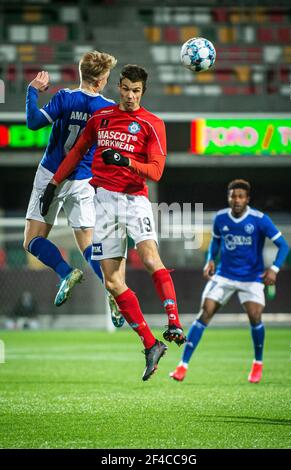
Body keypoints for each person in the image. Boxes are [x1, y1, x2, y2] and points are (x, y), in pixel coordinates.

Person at [40, 64, 186, 381]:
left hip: (134, 201)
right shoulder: (101, 119)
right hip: (103, 203)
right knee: (111, 282)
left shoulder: (152, 123)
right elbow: (77, 152)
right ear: (118, 87)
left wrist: (126, 161)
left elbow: (157, 171)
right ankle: (150, 344)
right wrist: (53, 184)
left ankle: (173, 320)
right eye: (126, 89)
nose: (131, 96)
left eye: (137, 91)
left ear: (142, 92)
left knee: (149, 258)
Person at [24, 51, 124, 327]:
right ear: (102, 80)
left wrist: (31, 91)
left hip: (50, 176)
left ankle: (66, 273)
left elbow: (33, 123)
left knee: (32, 241)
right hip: (82, 181)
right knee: (88, 245)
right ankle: (113, 290)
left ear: (82, 74)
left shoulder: (65, 98)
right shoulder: (108, 109)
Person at [170, 179, 289, 384]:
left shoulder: (260, 220)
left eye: (241, 196)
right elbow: (215, 242)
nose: (236, 200)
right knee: (204, 311)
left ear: (247, 199)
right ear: (229, 197)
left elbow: (283, 245)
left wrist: (274, 269)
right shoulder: (220, 218)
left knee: (255, 315)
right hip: (224, 275)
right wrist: (210, 261)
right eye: (233, 196)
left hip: (251, 278)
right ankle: (182, 365)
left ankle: (257, 363)